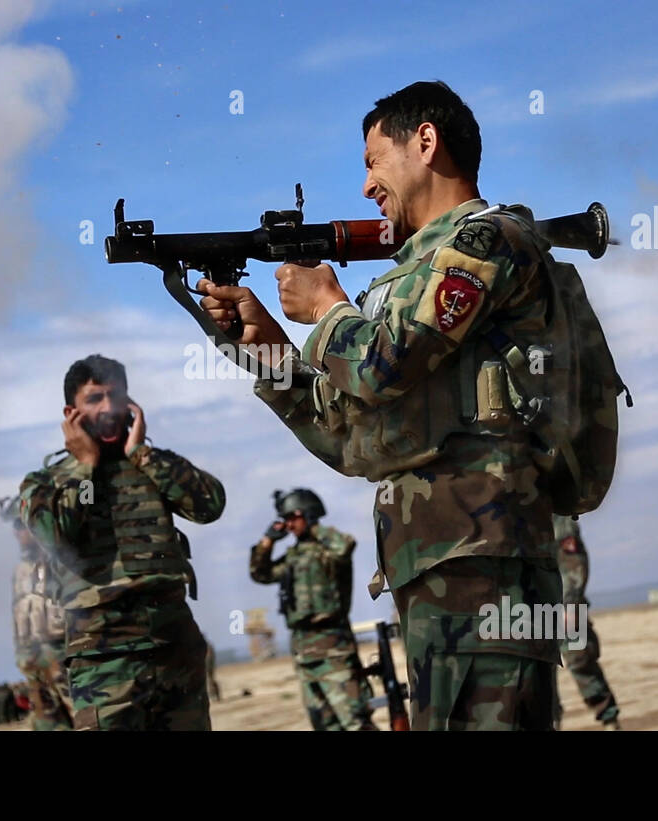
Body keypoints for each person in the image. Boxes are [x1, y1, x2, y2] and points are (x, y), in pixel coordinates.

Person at [199, 80, 568, 730]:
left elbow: (380, 364)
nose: (367, 185)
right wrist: (267, 349)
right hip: (435, 571)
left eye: (373, 161)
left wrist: (327, 308)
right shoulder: (407, 279)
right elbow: (352, 435)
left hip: (487, 565)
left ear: (425, 142)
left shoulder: (484, 244)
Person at [18, 354, 226, 730]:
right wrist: (85, 467)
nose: (109, 408)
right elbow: (56, 535)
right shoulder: (46, 482)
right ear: (71, 413)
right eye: (95, 399)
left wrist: (142, 453)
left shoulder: (149, 464)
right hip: (104, 661)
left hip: (174, 647)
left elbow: (209, 505)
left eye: (116, 396)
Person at [250, 488, 376, 731]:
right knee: (325, 726)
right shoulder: (292, 557)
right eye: (284, 520)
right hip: (303, 653)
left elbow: (345, 546)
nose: (287, 525)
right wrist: (266, 543)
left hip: (334, 651)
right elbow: (260, 573)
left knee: (356, 723)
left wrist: (313, 525)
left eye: (292, 517)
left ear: (307, 514)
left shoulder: (328, 550)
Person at [0, 494, 74, 731]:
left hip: (64, 661)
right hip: (34, 665)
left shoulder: (63, 562)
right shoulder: (20, 572)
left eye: (22, 526)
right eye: (16, 528)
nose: (18, 533)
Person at [551, 514, 620, 729]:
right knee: (535, 678)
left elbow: (573, 560)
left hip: (563, 604)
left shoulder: (555, 515)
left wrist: (571, 602)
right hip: (525, 607)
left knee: (581, 661)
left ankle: (610, 721)